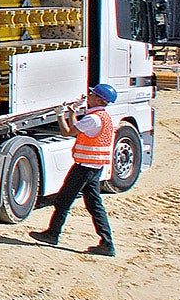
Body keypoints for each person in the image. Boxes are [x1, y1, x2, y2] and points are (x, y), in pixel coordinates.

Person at [31, 83, 118, 256]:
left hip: (84, 168)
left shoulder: (93, 119)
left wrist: (59, 115)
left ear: (100, 100)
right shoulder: (101, 116)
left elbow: (67, 132)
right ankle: (107, 243)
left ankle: (52, 234)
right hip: (94, 168)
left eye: (92, 94)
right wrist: (72, 113)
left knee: (63, 200)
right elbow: (79, 129)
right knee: (94, 205)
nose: (90, 95)